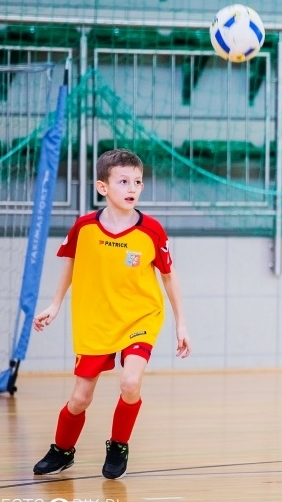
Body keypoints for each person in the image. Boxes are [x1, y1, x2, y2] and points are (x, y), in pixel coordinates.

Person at [31, 149, 191, 480]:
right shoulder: (84, 227)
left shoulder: (151, 231)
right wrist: (55, 303)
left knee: (130, 382)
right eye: (123, 181)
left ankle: (118, 445)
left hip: (140, 316)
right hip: (96, 319)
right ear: (102, 187)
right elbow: (71, 263)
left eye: (137, 182)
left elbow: (168, 275)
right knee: (80, 397)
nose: (132, 187)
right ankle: (62, 450)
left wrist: (181, 324)